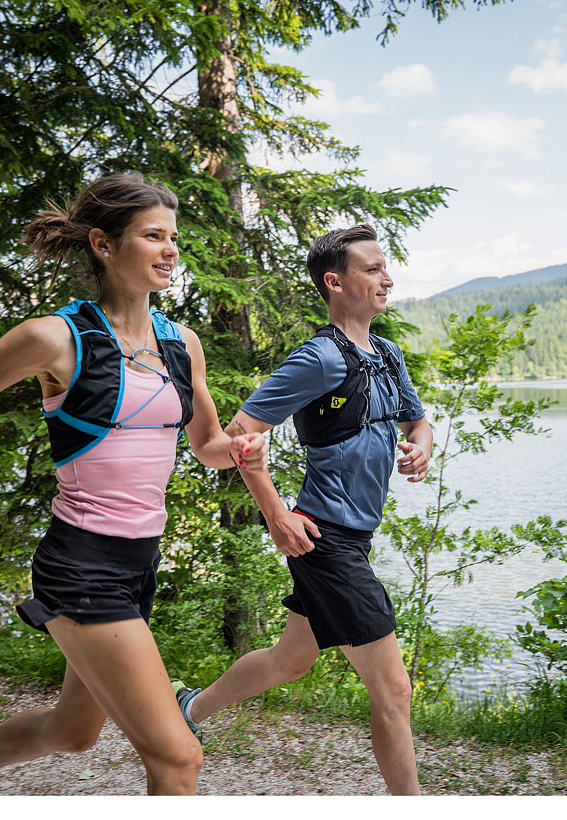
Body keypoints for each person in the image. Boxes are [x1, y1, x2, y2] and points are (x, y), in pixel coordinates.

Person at [0, 173, 266, 796]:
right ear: (104, 243)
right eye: (154, 236)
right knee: (178, 756)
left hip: (138, 561)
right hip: (81, 563)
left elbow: (206, 446)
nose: (171, 250)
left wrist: (237, 448)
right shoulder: (54, 338)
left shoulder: (182, 344)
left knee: (74, 730)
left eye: (174, 238)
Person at [171, 223, 433, 795]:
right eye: (372, 269)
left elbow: (418, 418)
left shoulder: (386, 354)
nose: (387, 278)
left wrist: (421, 447)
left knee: (291, 660)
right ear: (335, 282)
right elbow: (234, 442)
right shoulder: (318, 359)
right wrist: (274, 511)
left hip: (355, 535)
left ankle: (187, 708)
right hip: (325, 537)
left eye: (385, 267)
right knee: (393, 691)